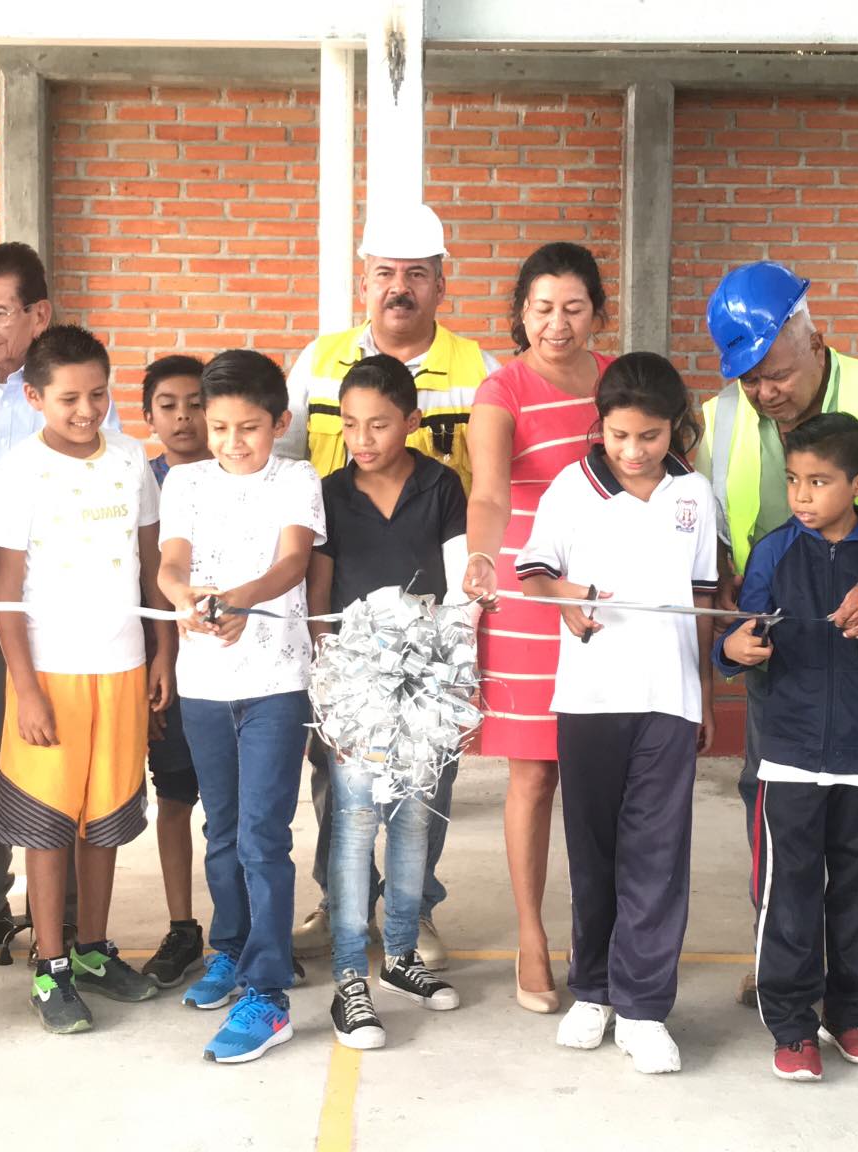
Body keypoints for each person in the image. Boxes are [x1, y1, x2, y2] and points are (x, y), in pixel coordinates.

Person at [697, 261, 858, 1019]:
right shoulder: (719, 418)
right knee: (775, 809)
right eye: (749, 380)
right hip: (787, 651)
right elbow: (705, 528)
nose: (765, 392)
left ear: (815, 341)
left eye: (775, 373)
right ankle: (787, 958)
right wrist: (727, 628)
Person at [283, 203, 497, 968]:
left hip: (437, 617)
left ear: (442, 283)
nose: (398, 289)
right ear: (362, 280)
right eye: (384, 275)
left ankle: (416, 906)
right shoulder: (316, 361)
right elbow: (287, 470)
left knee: (424, 772)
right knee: (336, 773)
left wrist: (463, 631)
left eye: (415, 275)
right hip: (346, 630)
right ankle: (337, 897)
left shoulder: (481, 371)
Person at [715, 412, 858, 1083]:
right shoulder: (778, 550)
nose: (803, 495)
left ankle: (852, 1014)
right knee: (790, 893)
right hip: (787, 755)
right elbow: (738, 635)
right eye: (793, 481)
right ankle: (791, 1024)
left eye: (819, 481)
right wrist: (735, 649)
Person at [516, 352, 716, 1075]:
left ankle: (642, 1008)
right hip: (591, 697)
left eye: (651, 436)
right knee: (594, 850)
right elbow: (534, 571)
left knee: (656, 857)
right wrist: (569, 596)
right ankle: (593, 991)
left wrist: (704, 695)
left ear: (675, 429)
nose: (634, 450)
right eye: (620, 435)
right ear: (599, 427)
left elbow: (701, 598)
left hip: (669, 697)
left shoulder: (695, 494)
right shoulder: (571, 487)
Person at [0, 240, 120, 960]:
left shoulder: (77, 389)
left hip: (67, 587)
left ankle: (62, 910)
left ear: (39, 312)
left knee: (59, 739)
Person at [0, 325, 168, 1032]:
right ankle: (50, 965)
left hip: (121, 666)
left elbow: (152, 567)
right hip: (51, 672)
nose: (86, 410)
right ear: (34, 398)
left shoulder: (130, 461)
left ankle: (92, 949)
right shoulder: (17, 474)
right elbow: (4, 592)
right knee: (49, 823)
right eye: (68, 398)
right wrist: (26, 688)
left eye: (97, 393)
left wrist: (163, 654)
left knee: (107, 819)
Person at [156, 349, 323, 1064]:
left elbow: (292, 564)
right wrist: (184, 598)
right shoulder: (186, 481)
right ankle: (229, 948)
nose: (230, 441)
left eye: (248, 427)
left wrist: (241, 603)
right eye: (217, 425)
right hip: (203, 688)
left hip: (276, 686)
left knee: (262, 835)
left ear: (278, 423)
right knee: (219, 829)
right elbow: (169, 563)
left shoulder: (298, 477)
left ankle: (267, 992)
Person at [461, 241, 614, 1014]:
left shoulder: (619, 384)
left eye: (574, 307)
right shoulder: (503, 388)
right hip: (528, 596)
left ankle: (605, 937)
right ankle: (531, 934)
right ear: (520, 311)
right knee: (537, 773)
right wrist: (483, 556)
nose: (558, 323)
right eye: (542, 307)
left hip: (612, 599)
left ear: (596, 311)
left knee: (604, 776)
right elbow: (489, 493)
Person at [308, 354, 467, 1051]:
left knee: (412, 824)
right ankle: (350, 978)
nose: (362, 438)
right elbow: (318, 600)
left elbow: (461, 593)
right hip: (354, 684)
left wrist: (459, 688)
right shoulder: (329, 493)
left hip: (428, 678)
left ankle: (400, 957)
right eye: (349, 425)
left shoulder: (442, 485)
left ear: (413, 422)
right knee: (354, 824)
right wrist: (329, 687)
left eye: (378, 424)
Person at [137, 354, 210, 987]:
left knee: (238, 808)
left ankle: (243, 924)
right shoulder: (139, 480)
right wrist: (158, 655)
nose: (183, 416)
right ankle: (183, 925)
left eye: (195, 402)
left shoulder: (239, 475)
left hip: (232, 664)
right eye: (168, 405)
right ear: (147, 414)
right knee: (175, 794)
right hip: (163, 667)